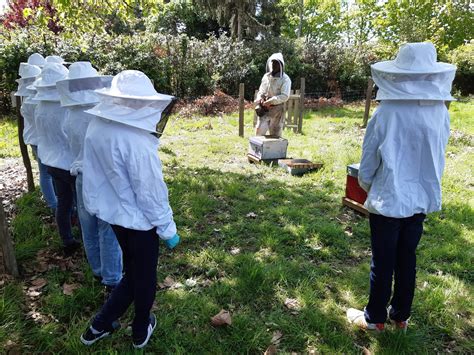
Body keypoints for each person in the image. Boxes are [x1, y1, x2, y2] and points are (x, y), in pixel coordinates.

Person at [346, 42, 456, 332]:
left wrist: (368, 187)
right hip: (420, 201)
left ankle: (375, 319)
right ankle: (401, 317)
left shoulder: (386, 114)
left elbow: (368, 162)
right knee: (407, 258)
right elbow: (438, 157)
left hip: (388, 199)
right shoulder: (440, 113)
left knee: (382, 261)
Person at [79, 70, 180, 349]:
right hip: (140, 222)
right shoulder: (137, 142)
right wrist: (167, 228)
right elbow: (151, 193)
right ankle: (138, 329)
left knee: (134, 272)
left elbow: (95, 173)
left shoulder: (97, 125)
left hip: (114, 217)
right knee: (143, 276)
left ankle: (100, 326)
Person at [56, 62, 122, 294]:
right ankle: (112, 278)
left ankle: (97, 269)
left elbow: (66, 141)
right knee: (108, 226)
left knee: (88, 225)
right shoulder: (102, 113)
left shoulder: (70, 115)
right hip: (103, 176)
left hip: (81, 176)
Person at [30, 62, 81, 255]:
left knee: (63, 203)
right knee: (80, 205)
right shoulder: (64, 107)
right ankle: (85, 240)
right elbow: (71, 135)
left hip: (51, 161)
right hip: (69, 163)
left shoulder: (40, 106)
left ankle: (67, 239)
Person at [17, 53, 58, 212]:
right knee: (47, 174)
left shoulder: (27, 97)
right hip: (41, 140)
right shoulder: (32, 100)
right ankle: (54, 205)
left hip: (36, 139)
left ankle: (55, 204)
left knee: (48, 173)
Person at [254, 52, 291, 137]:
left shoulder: (285, 79)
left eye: (276, 63)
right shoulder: (266, 76)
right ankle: (258, 150)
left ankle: (274, 150)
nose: (274, 65)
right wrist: (260, 99)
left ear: (281, 65)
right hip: (264, 110)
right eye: (273, 62)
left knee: (275, 135)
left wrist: (271, 101)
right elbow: (261, 91)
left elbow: (284, 96)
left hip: (277, 110)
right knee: (259, 133)